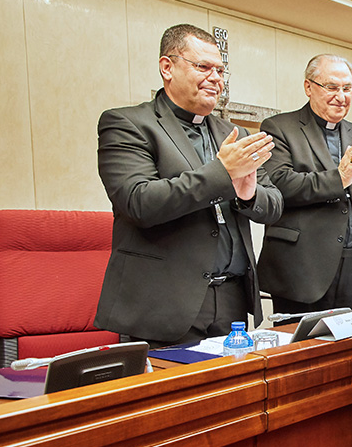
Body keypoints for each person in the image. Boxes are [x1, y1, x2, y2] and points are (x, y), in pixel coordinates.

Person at [94, 24, 283, 346]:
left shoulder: (233, 134)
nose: (216, 78)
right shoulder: (128, 124)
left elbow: (274, 204)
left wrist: (248, 193)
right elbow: (138, 202)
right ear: (167, 67)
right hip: (165, 303)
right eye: (203, 67)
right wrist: (223, 173)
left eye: (220, 70)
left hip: (232, 300)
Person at [257, 54, 352, 314]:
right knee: (304, 350)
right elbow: (279, 183)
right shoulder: (279, 128)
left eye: (347, 88)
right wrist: (339, 179)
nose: (341, 96)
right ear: (308, 87)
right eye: (332, 87)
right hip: (304, 265)